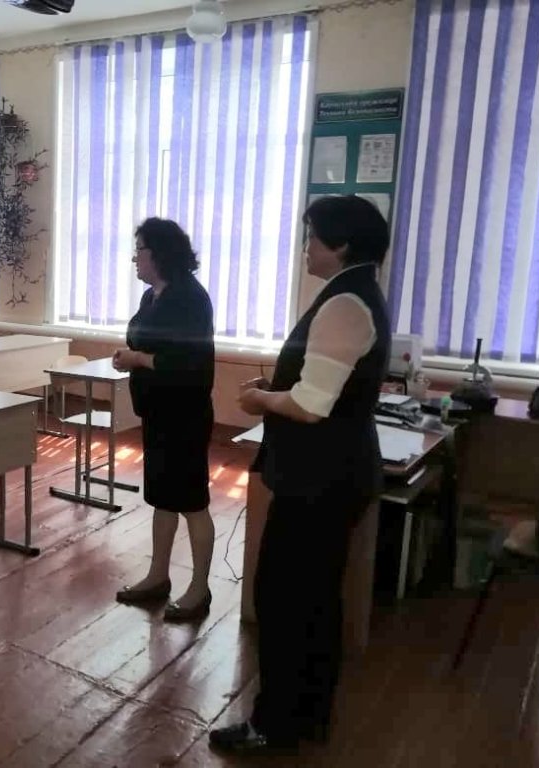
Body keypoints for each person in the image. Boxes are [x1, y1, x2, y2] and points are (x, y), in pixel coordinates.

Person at [209, 195, 392, 754]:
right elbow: (324, 389)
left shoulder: (344, 304)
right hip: (333, 474)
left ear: (341, 244)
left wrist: (261, 399)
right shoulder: (357, 293)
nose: (305, 248)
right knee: (311, 599)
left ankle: (276, 725)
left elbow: (312, 406)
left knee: (286, 600)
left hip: (320, 479)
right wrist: (275, 392)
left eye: (313, 237)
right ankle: (305, 718)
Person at [112, 217, 216, 622]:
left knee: (191, 502)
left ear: (159, 253)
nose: (134, 258)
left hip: (184, 415)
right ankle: (158, 576)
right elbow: (144, 343)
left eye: (139, 249)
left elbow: (188, 363)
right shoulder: (153, 296)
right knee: (162, 497)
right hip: (157, 412)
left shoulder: (190, 298)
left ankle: (199, 589)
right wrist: (131, 357)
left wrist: (138, 358)